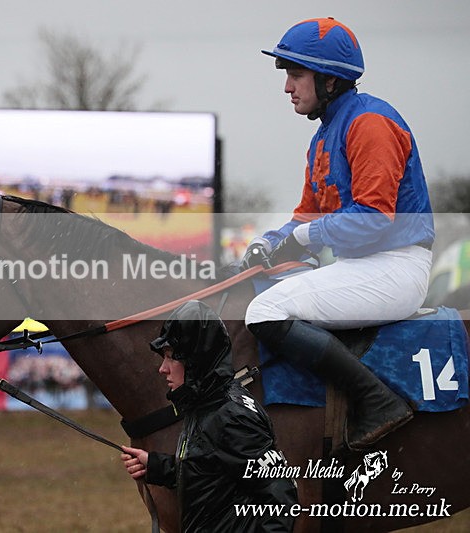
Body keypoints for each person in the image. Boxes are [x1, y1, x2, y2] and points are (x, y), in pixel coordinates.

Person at [241, 17, 435, 451]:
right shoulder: (324, 136)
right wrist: (270, 242)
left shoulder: (369, 123)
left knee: (264, 312)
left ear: (328, 79)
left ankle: (377, 400)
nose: (287, 87)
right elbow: (305, 218)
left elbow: (371, 220)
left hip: (395, 268)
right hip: (358, 268)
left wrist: (305, 237)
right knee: (254, 291)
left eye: (295, 75)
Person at [120, 301, 297, 532]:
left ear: (196, 360)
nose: (162, 368)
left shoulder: (231, 415)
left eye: (172, 357)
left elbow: (281, 499)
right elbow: (211, 470)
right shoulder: (205, 403)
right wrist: (155, 466)